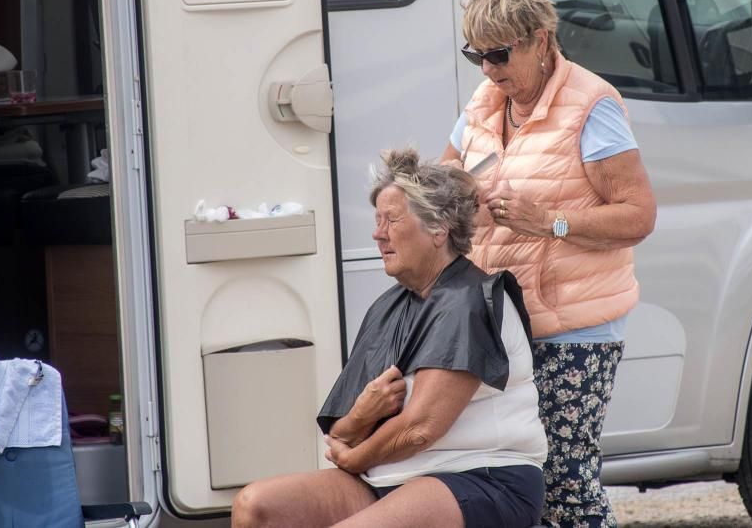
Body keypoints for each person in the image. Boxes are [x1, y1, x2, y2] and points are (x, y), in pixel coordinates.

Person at [232, 148, 547, 528]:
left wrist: (357, 458)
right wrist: (363, 414)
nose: (377, 233)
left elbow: (419, 429)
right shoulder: (389, 305)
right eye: (377, 219)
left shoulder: (468, 301)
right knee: (254, 507)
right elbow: (339, 433)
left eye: (392, 220)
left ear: (438, 228)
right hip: (387, 479)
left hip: (481, 477)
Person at [441, 0, 657, 528]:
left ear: (541, 40)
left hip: (575, 328)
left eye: (498, 54)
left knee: (564, 478)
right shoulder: (484, 103)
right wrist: (456, 201)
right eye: (476, 55)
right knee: (513, 478)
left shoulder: (592, 105)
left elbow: (638, 215)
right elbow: (443, 183)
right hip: (501, 321)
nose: (488, 69)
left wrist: (549, 222)